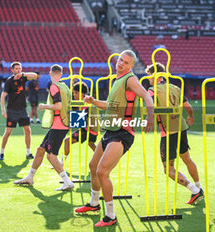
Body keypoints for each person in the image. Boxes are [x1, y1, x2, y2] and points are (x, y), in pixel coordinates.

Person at [75, 50, 154, 227]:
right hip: (110, 131)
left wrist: (150, 116)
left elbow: (147, 95)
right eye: (120, 60)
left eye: (126, 62)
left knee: (102, 172)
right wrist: (93, 101)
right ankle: (94, 204)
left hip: (122, 133)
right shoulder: (117, 80)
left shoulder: (130, 79)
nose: (121, 64)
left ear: (131, 65)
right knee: (93, 166)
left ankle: (111, 215)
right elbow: (109, 106)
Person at [146, 62, 203, 205]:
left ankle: (195, 191)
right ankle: (199, 187)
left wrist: (149, 120)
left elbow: (150, 109)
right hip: (181, 127)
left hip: (168, 132)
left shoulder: (152, 90)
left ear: (155, 75)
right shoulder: (175, 88)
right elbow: (188, 107)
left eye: (149, 75)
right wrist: (191, 117)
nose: (148, 79)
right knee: (187, 158)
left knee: (168, 170)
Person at [14, 64, 75, 191]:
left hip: (59, 125)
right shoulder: (65, 87)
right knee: (40, 149)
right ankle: (30, 177)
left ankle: (67, 181)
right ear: (61, 74)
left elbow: (57, 106)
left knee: (51, 156)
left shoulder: (54, 87)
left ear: (50, 73)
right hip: (63, 123)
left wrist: (44, 106)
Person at [0, 62, 38, 160]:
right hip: (12, 110)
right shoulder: (9, 81)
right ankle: (2, 152)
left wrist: (23, 74)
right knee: (8, 132)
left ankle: (28, 153)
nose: (18, 70)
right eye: (16, 69)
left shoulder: (23, 78)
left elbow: (35, 75)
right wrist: (3, 110)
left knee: (27, 130)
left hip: (22, 110)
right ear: (12, 70)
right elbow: (3, 97)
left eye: (20, 68)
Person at [61, 81, 98, 165]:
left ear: (82, 93)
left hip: (87, 129)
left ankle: (61, 164)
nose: (74, 94)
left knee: (67, 141)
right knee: (91, 144)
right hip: (93, 129)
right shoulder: (86, 100)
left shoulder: (84, 102)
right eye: (74, 92)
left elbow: (84, 117)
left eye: (76, 92)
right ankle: (103, 160)